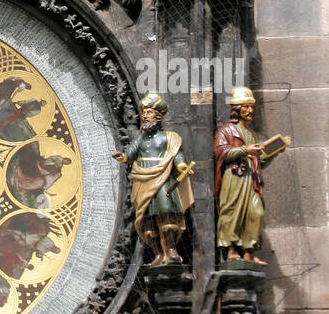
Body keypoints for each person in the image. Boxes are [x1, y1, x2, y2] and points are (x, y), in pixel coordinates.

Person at [113, 93, 194, 266]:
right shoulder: (140, 139)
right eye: (144, 113)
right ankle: (157, 253)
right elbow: (129, 154)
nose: (145, 116)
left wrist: (180, 166)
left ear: (158, 116)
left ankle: (170, 250)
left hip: (163, 179)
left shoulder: (168, 137)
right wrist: (122, 156)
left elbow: (176, 154)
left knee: (167, 213)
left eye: (149, 112)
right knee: (147, 219)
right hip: (143, 180)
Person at [214, 87, 289, 263]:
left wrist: (274, 152)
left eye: (251, 107)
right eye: (246, 106)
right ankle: (231, 250)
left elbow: (260, 161)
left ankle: (248, 253)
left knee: (256, 212)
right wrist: (243, 149)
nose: (250, 110)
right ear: (236, 109)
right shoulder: (226, 131)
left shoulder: (253, 135)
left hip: (251, 178)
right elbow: (220, 152)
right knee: (231, 211)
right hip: (234, 177)